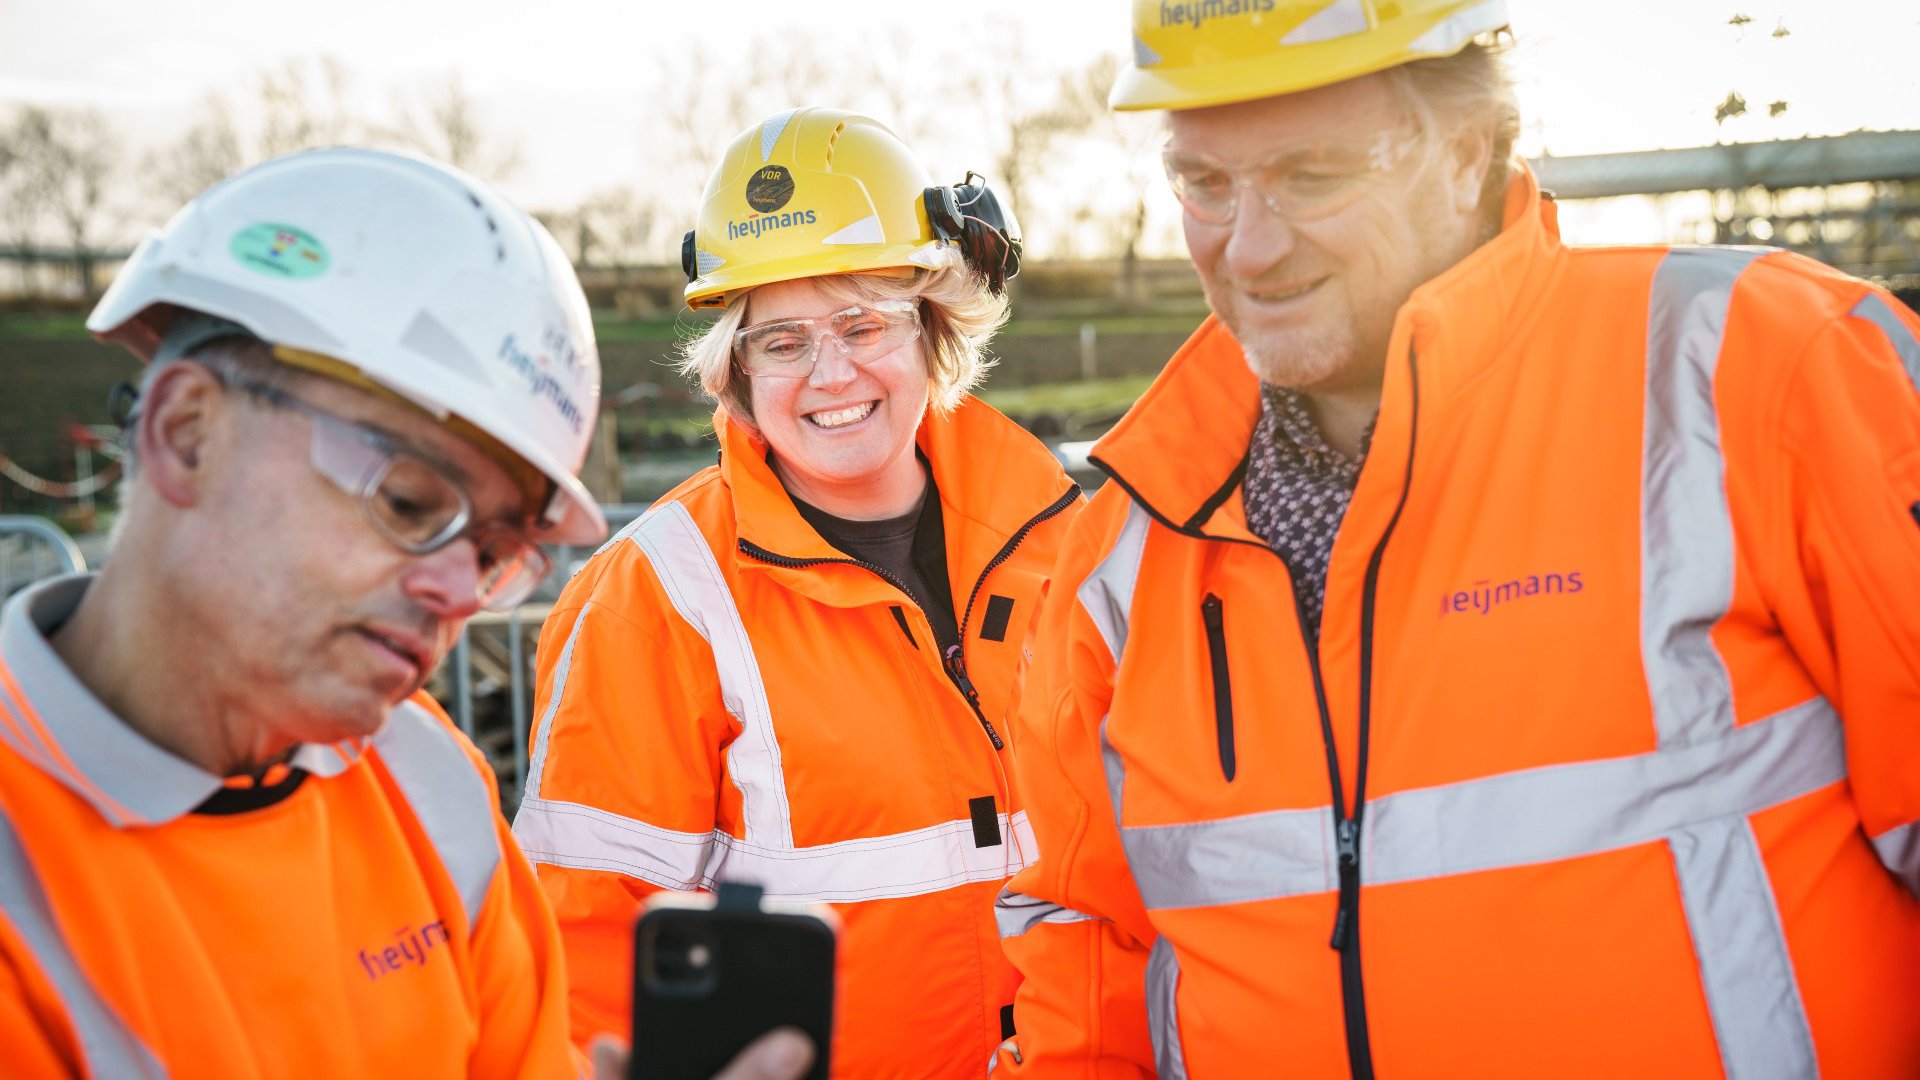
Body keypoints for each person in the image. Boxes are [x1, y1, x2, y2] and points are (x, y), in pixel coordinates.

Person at [993, 2, 1920, 1077]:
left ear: (1468, 148)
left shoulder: (1763, 372)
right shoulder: (1124, 541)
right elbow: (1085, 960)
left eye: (1313, 175)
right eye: (1204, 183)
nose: (1247, 245)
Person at [0, 146, 812, 1080]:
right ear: (188, 434)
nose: (460, 591)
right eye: (411, 504)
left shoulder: (424, 776)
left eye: (493, 551)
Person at [513, 106, 1081, 1077]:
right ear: (733, 367)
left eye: (864, 324)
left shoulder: (1068, 539)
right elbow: (582, 963)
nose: (831, 372)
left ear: (934, 330)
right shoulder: (651, 600)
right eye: (781, 342)